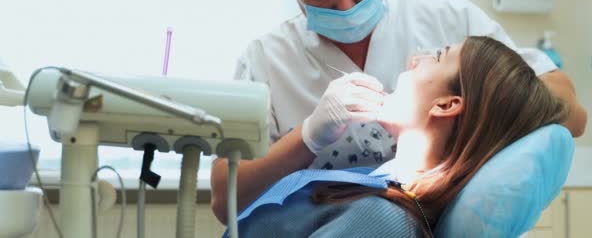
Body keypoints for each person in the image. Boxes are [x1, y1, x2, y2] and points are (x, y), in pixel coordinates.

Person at [211, 0, 587, 223]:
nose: (345, 7)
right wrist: (308, 136)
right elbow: (225, 202)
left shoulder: (449, 20)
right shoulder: (265, 60)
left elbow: (572, 113)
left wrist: (474, 115)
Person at [229, 36, 569, 237]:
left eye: (436, 57)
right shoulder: (377, 185)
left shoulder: (383, 222)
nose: (414, 61)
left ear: (447, 104)